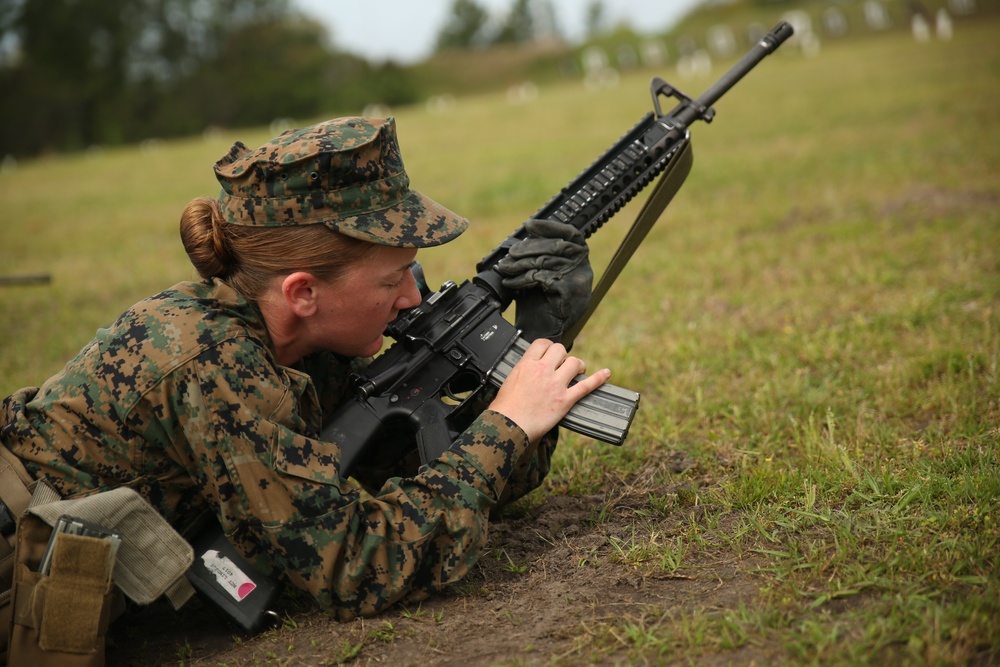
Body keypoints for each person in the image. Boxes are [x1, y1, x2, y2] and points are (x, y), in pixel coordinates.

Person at [0, 117, 608, 635]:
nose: (409, 298)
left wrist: (536, 345)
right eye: (390, 279)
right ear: (303, 292)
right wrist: (506, 423)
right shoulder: (213, 365)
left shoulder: (303, 344)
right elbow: (363, 565)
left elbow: (421, 474)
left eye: (413, 271)